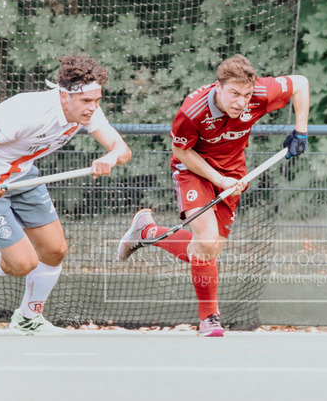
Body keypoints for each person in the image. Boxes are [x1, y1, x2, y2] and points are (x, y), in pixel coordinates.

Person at [117, 54, 309, 337]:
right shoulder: (192, 111)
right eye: (234, 93)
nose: (241, 102)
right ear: (218, 87)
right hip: (193, 169)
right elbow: (181, 151)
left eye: (246, 95)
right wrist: (218, 179)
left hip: (233, 172)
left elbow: (301, 83)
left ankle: (147, 232)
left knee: (206, 251)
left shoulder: (259, 92)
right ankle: (209, 319)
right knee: (206, 242)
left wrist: (300, 131)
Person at [0, 54, 132, 335]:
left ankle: (29, 318)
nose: (93, 107)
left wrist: (110, 157)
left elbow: (122, 149)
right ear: (64, 96)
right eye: (86, 101)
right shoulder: (28, 111)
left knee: (55, 250)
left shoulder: (88, 113)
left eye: (97, 100)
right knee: (22, 264)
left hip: (23, 177)